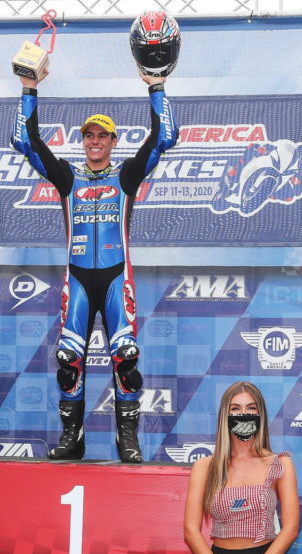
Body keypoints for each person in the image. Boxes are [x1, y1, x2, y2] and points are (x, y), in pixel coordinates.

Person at [10, 65, 178, 463]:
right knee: (69, 360)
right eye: (89, 135)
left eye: (103, 135)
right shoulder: (67, 177)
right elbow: (25, 142)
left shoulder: (127, 176)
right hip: (79, 280)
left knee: (127, 357)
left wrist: (156, 85)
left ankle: (127, 439)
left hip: (117, 277)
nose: (96, 141)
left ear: (114, 142)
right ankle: (73, 437)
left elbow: (164, 137)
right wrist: (29, 89)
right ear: (82, 140)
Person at [184, 382, 299, 554]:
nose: (243, 414)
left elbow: (290, 527)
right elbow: (191, 531)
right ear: (225, 415)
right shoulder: (205, 467)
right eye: (236, 408)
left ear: (261, 415)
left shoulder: (280, 464)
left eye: (251, 408)